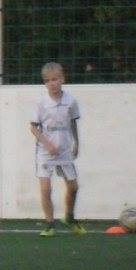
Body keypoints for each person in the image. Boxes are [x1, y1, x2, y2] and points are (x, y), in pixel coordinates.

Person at [31, 61, 83, 236]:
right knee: (46, 189)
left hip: (64, 150)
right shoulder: (41, 103)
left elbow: (73, 123)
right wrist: (47, 143)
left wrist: (76, 143)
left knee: (73, 187)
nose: (52, 83)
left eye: (55, 79)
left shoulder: (70, 101)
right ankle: (49, 224)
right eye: (47, 80)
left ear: (62, 79)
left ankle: (69, 217)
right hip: (45, 152)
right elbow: (33, 127)